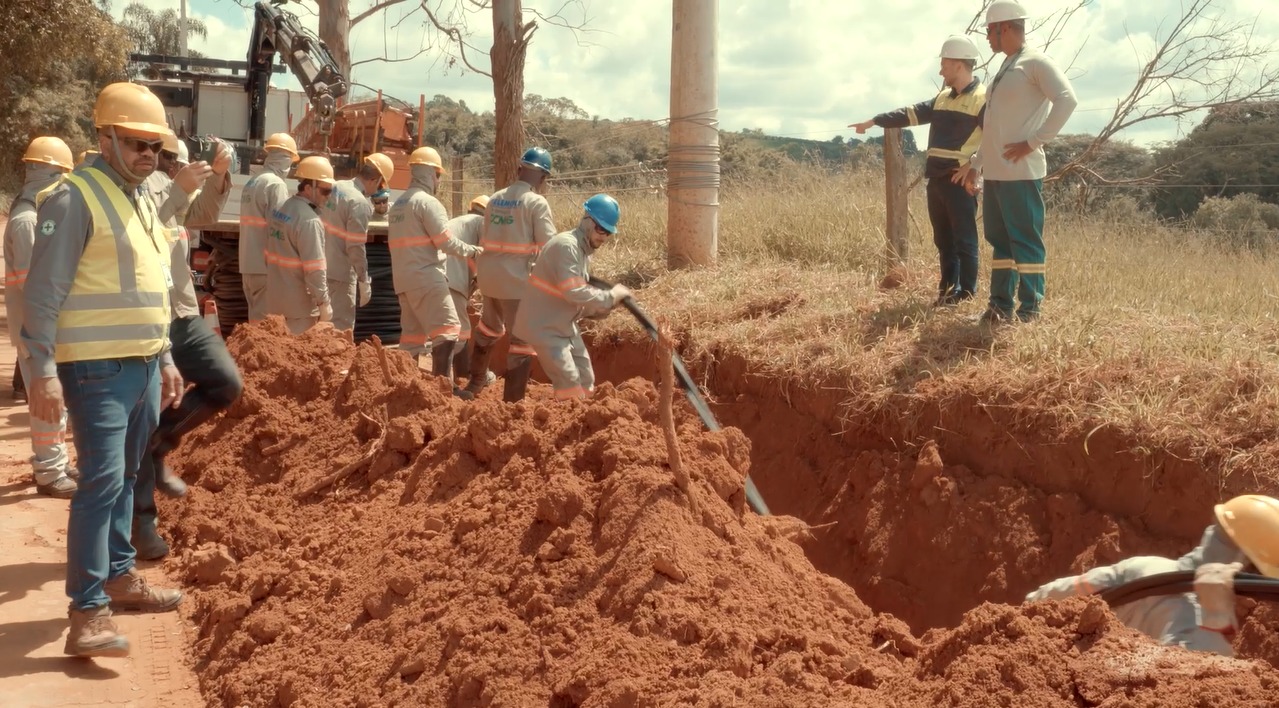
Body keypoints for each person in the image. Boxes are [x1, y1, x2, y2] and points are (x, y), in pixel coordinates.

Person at [23, 82, 185, 658]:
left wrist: (164, 356)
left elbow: (150, 286)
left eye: (156, 146)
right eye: (138, 143)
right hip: (96, 370)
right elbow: (42, 294)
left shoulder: (136, 198)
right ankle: (87, 612)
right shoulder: (74, 199)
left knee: (127, 474)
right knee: (101, 482)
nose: (149, 155)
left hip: (141, 366)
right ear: (105, 137)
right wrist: (42, 369)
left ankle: (119, 577)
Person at [133, 132, 242, 560]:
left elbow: (204, 213)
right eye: (171, 161)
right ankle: (141, 524)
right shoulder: (135, 190)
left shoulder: (169, 189)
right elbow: (144, 230)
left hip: (181, 312)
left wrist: (219, 176)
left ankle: (162, 441)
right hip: (145, 316)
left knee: (225, 382)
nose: (175, 168)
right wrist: (178, 190)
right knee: (140, 416)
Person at [1025, 495, 1279, 657]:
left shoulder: (1147, 567)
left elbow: (1065, 592)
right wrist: (1215, 619)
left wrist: (1026, 612)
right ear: (1242, 564)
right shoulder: (1191, 621)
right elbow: (1206, 688)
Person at [959, 0, 1076, 323]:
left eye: (989, 31)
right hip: (996, 174)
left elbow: (1067, 99)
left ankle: (1030, 310)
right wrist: (977, 164)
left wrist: (1034, 142)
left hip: (1021, 173)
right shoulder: (1006, 67)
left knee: (1025, 240)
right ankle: (999, 306)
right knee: (1000, 241)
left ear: (1005, 28)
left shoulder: (1036, 62)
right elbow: (994, 125)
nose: (987, 37)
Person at [850, 35, 987, 306]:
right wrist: (875, 121)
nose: (941, 71)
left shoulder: (982, 98)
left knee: (965, 241)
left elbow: (995, 136)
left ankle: (966, 295)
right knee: (943, 241)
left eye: (944, 64)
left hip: (959, 181)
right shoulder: (942, 99)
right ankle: (947, 294)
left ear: (958, 64)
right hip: (935, 179)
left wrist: (973, 165)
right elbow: (910, 114)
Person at [4, 136, 79, 498]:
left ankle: (57, 463)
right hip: (34, 327)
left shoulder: (33, 212)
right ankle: (49, 471)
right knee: (44, 401)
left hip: (41, 325)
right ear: (50, 173)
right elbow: (36, 282)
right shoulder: (28, 220)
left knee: (55, 398)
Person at [512, 195, 632, 400]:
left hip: (564, 325)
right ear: (587, 221)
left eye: (608, 232)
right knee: (569, 385)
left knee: (586, 380)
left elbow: (572, 298)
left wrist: (605, 307)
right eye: (600, 229)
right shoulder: (567, 246)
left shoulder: (582, 252)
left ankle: (582, 416)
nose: (603, 237)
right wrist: (609, 297)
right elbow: (573, 292)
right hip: (544, 326)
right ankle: (565, 417)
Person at [388, 147, 483, 398]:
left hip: (404, 280)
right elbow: (445, 242)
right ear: (431, 174)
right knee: (449, 329)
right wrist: (473, 250)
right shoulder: (428, 203)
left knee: (412, 340)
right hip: (427, 276)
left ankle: (405, 392)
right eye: (438, 176)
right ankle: (444, 392)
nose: (439, 181)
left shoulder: (398, 205)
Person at [468, 146, 556, 401]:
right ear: (543, 178)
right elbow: (549, 246)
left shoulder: (495, 198)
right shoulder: (536, 203)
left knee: (488, 328)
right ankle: (512, 403)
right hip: (515, 281)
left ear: (519, 170)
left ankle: (475, 383)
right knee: (522, 341)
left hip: (488, 277)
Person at [322, 152, 393, 331]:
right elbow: (355, 246)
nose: (377, 191)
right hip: (340, 276)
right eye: (381, 185)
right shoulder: (359, 203)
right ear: (375, 180)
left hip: (319, 270)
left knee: (319, 329)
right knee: (340, 331)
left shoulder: (336, 187)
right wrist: (363, 278)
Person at [265, 156, 334, 334]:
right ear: (308, 188)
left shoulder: (282, 209)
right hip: (299, 308)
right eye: (325, 191)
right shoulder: (309, 221)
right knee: (297, 350)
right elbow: (315, 268)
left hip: (275, 301)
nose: (329, 197)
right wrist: (324, 302)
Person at [239, 133, 298, 322]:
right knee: (266, 329)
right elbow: (280, 228)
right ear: (286, 159)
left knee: (255, 325)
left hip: (248, 265)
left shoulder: (253, 181)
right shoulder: (276, 185)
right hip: (266, 268)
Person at [445, 195, 491, 387]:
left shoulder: (460, 224)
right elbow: (485, 256)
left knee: (444, 330)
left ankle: (454, 377)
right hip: (451, 280)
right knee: (460, 330)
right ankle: (460, 377)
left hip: (435, 277)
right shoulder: (482, 223)